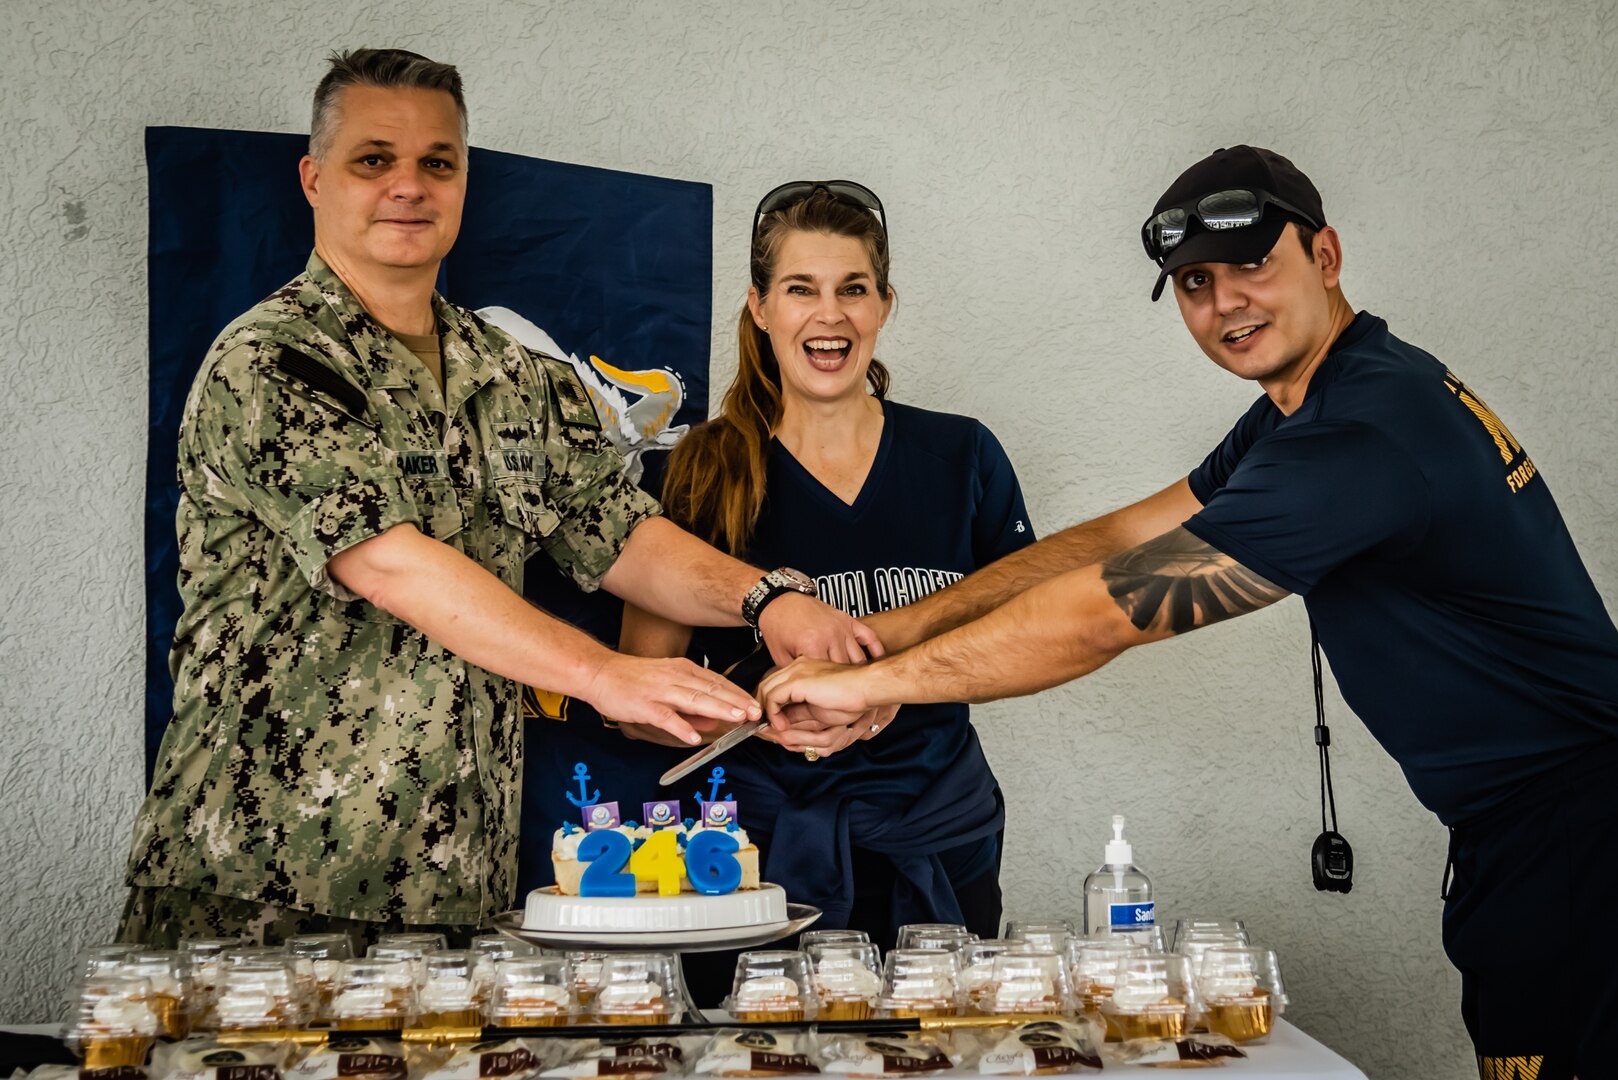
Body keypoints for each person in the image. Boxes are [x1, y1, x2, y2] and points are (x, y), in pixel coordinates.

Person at [759, 146, 1618, 1077]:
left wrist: (871, 685)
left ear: (1325, 254)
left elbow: (1105, 615)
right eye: (1197, 281)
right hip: (1529, 832)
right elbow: (1116, 537)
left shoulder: (1359, 435)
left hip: (1580, 831)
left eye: (1255, 264)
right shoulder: (1310, 406)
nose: (1227, 303)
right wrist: (890, 634)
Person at [118, 48, 878, 949]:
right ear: (313, 179)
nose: (410, 185)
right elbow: (393, 562)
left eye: (437, 162)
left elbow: (624, 539)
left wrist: (768, 600)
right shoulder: (272, 363)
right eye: (374, 160)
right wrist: (605, 674)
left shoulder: (519, 379)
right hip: (260, 885)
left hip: (458, 893)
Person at [617, 182, 1036, 963]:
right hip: (750, 850)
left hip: (939, 829)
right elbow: (639, 696)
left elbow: (1030, 639)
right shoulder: (700, 469)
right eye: (800, 289)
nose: (830, 314)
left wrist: (890, 683)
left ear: (883, 304)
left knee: (938, 1056)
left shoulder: (962, 455)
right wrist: (762, 714)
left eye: (854, 289)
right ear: (760, 307)